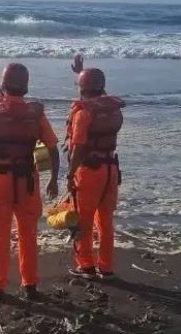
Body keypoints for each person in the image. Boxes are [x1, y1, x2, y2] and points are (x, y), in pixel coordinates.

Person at [0, 63, 60, 302]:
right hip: (28, 181)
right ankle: (29, 285)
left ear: (2, 83)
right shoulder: (36, 113)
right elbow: (52, 147)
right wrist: (53, 178)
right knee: (28, 233)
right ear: (26, 86)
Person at [64, 55, 125, 280]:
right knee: (105, 221)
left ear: (82, 88)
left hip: (89, 170)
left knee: (83, 219)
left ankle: (86, 265)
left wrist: (70, 173)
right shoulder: (112, 109)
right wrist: (81, 73)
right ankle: (106, 267)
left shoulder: (83, 113)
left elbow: (79, 147)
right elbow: (98, 95)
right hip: (111, 169)